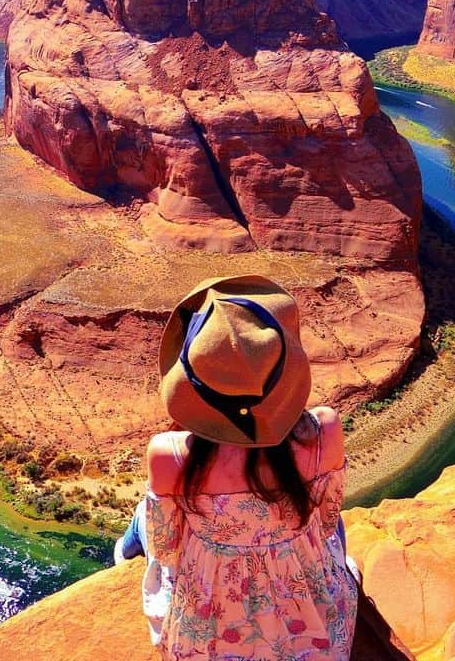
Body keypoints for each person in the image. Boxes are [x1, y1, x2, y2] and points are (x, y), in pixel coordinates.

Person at [115, 275, 359, 660]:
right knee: (338, 528)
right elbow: (327, 520)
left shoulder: (169, 455)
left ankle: (124, 552)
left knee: (143, 519)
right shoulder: (324, 430)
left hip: (210, 630)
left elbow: (166, 549)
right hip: (314, 627)